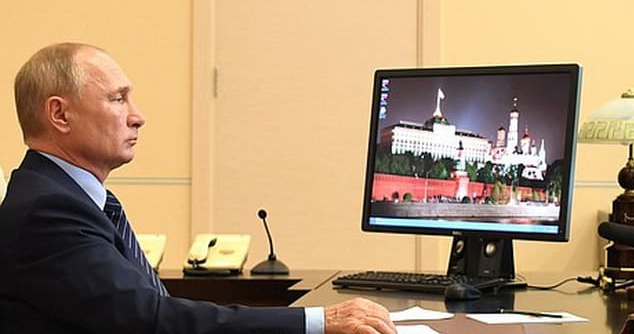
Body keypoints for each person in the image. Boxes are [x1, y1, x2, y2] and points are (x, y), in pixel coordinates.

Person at [0, 42, 397, 334]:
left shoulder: (59, 196)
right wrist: (318, 321)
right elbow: (148, 319)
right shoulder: (47, 211)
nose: (138, 117)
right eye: (118, 99)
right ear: (60, 114)